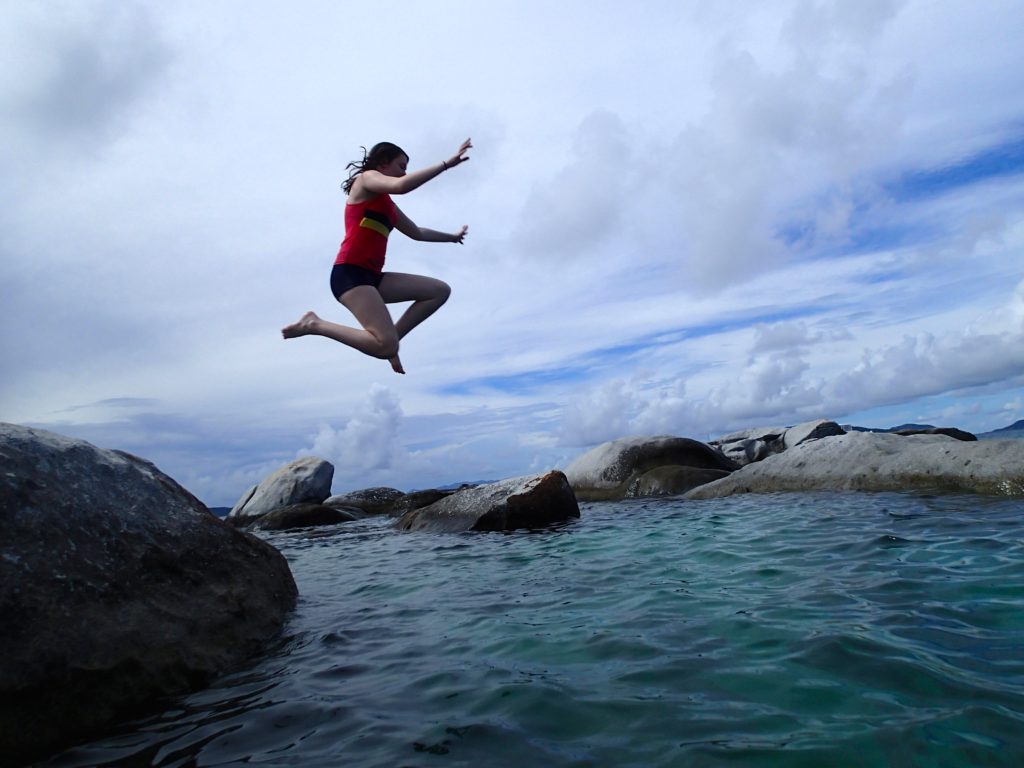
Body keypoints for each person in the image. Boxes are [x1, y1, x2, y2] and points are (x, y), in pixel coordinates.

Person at [282, 138, 472, 374]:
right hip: (349, 274)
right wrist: (445, 164)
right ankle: (315, 324)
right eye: (401, 166)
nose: (404, 172)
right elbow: (402, 186)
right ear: (383, 163)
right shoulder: (366, 180)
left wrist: (452, 237)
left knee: (439, 291)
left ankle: (391, 343)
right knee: (383, 346)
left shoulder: (388, 206)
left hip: (373, 277)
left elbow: (417, 232)